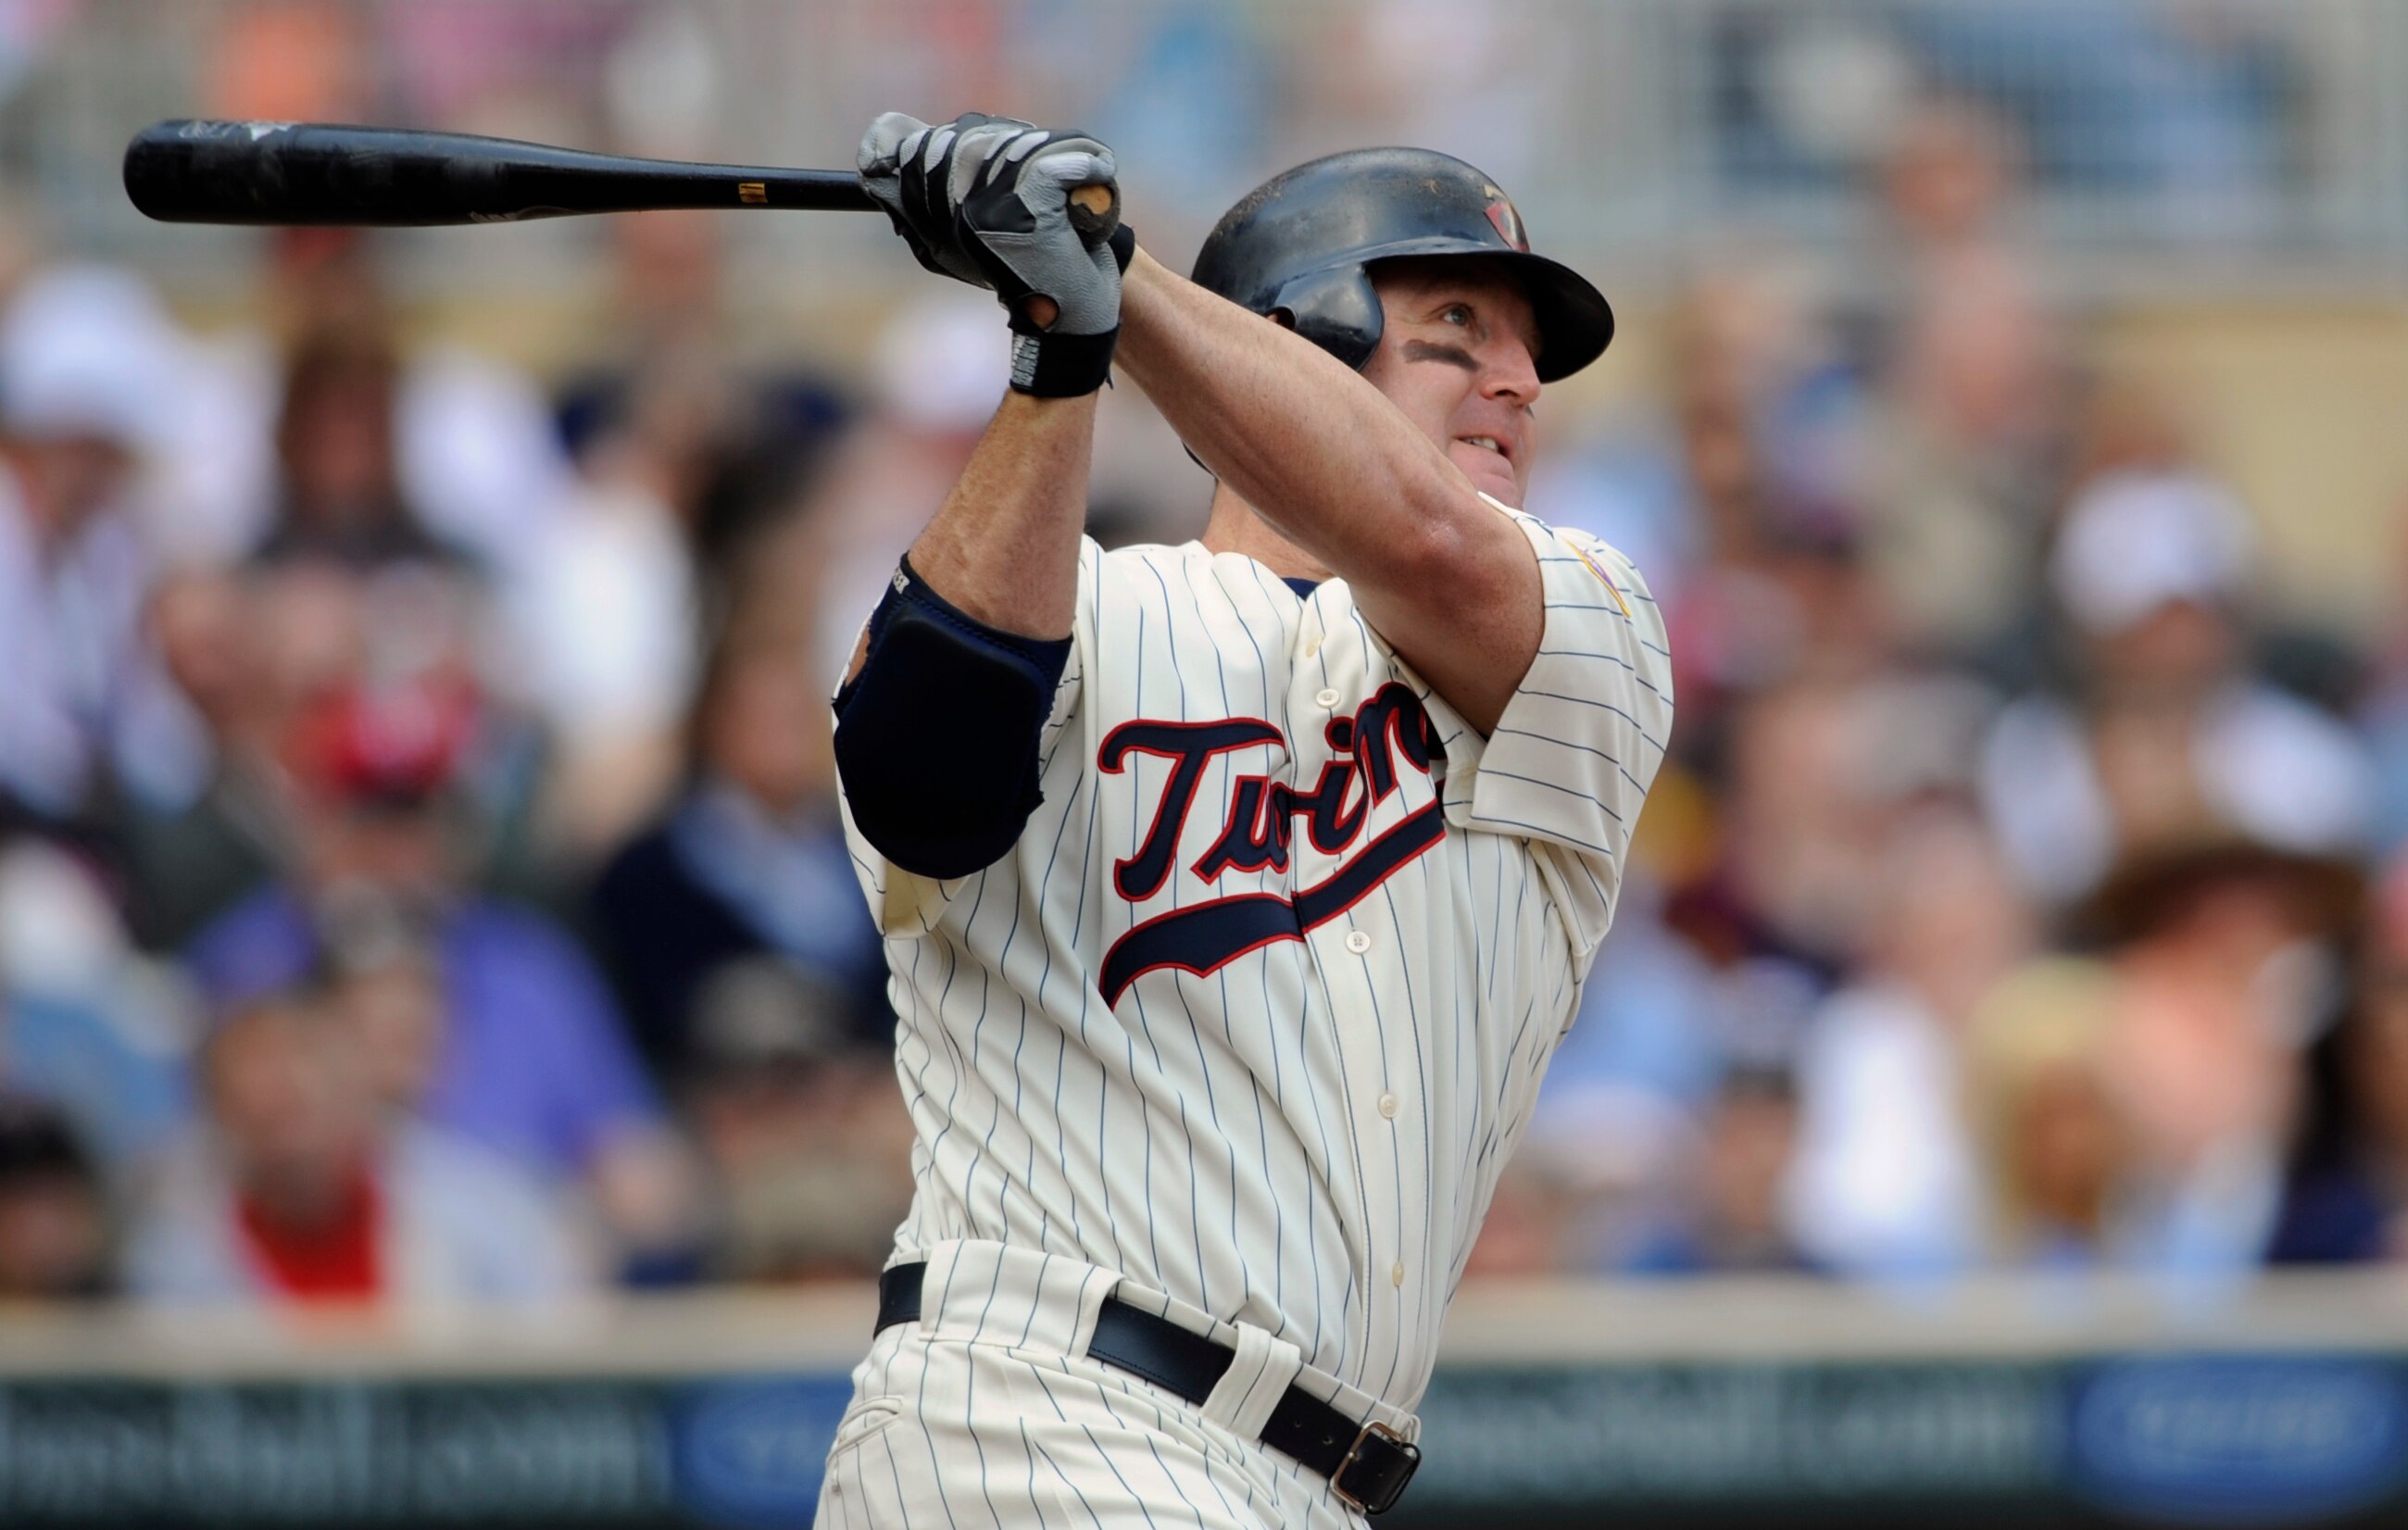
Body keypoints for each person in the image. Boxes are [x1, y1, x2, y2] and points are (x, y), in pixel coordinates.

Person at [814, 116, 1672, 1527]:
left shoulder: (1592, 639)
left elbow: (1424, 543)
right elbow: (922, 772)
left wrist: (1111, 272)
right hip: (1030, 1421)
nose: (1520, 380)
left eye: (1528, 351)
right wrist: (1059, 349)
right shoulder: (1076, 612)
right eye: (1457, 327)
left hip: (1313, 1481)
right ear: (1294, 335)